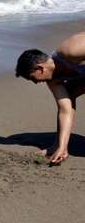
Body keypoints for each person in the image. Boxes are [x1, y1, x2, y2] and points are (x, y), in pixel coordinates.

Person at [15, 32, 85, 164]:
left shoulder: (71, 50)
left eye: (32, 78)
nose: (35, 83)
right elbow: (65, 109)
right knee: (69, 94)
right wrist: (62, 147)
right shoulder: (53, 80)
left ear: (39, 69)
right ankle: (58, 146)